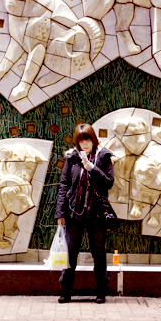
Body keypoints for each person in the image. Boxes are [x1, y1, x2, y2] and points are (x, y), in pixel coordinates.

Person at [55, 123, 115, 304]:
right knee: (71, 252)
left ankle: (101, 292)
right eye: (81, 141)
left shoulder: (103, 157)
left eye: (87, 140)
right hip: (74, 213)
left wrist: (91, 167)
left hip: (96, 214)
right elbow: (64, 185)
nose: (85, 144)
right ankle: (66, 292)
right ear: (77, 142)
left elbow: (109, 182)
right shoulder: (72, 158)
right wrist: (60, 213)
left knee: (98, 252)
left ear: (93, 140)